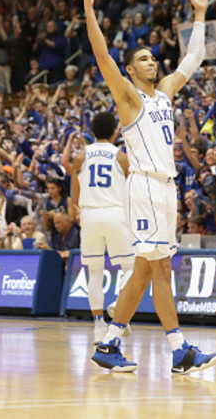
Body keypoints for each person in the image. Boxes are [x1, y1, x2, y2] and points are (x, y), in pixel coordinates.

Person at [84, 0, 216, 374]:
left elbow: (193, 59)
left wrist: (200, 16)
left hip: (166, 189)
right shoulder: (127, 96)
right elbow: (102, 55)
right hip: (143, 186)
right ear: (130, 69)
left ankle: (109, 344)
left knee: (145, 270)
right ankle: (179, 351)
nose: (152, 61)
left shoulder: (165, 92)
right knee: (158, 267)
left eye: (153, 57)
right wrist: (90, 12)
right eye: (143, 58)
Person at [70, 111, 135, 344]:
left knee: (95, 272)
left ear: (92, 131)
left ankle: (98, 326)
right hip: (116, 213)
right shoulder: (122, 157)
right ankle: (119, 306)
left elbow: (75, 196)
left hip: (89, 214)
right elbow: (133, 190)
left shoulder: (80, 157)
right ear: (115, 132)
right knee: (131, 266)